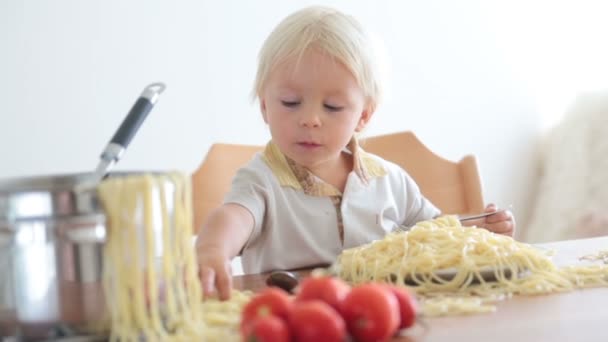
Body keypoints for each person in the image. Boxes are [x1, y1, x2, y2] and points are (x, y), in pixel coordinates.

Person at [196, 5, 515, 300]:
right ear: (265, 106)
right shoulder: (260, 180)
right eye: (291, 102)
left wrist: (481, 232)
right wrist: (213, 249)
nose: (310, 119)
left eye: (332, 107)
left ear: (363, 116)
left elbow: (437, 236)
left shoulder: (390, 181)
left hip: (380, 316)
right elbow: (234, 218)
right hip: (295, 317)